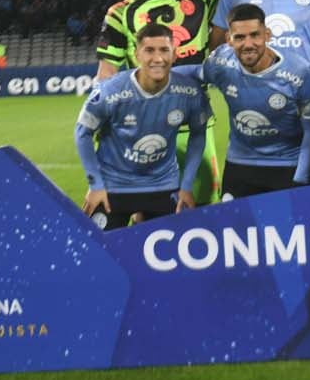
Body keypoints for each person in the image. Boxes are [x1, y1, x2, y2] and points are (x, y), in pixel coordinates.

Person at [96, 0, 221, 204]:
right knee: (143, 208)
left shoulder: (204, 0)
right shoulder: (121, 12)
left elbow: (228, 41)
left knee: (206, 202)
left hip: (195, 125)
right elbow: (107, 75)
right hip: (142, 126)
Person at [75, 24, 210, 230]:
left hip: (163, 185)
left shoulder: (189, 92)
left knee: (168, 255)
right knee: (100, 252)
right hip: (114, 186)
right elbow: (82, 132)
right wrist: (95, 185)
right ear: (137, 54)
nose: (157, 58)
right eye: (149, 50)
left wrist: (186, 185)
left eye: (164, 50)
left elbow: (199, 134)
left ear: (174, 54)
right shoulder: (111, 91)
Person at [179, 3, 310, 199]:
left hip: (287, 163)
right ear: (228, 39)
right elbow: (196, 73)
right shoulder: (221, 63)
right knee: (232, 226)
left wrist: (301, 177)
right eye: (240, 37)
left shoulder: (299, 72)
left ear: (267, 35)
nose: (248, 44)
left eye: (255, 35)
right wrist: (152, 74)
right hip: (240, 163)